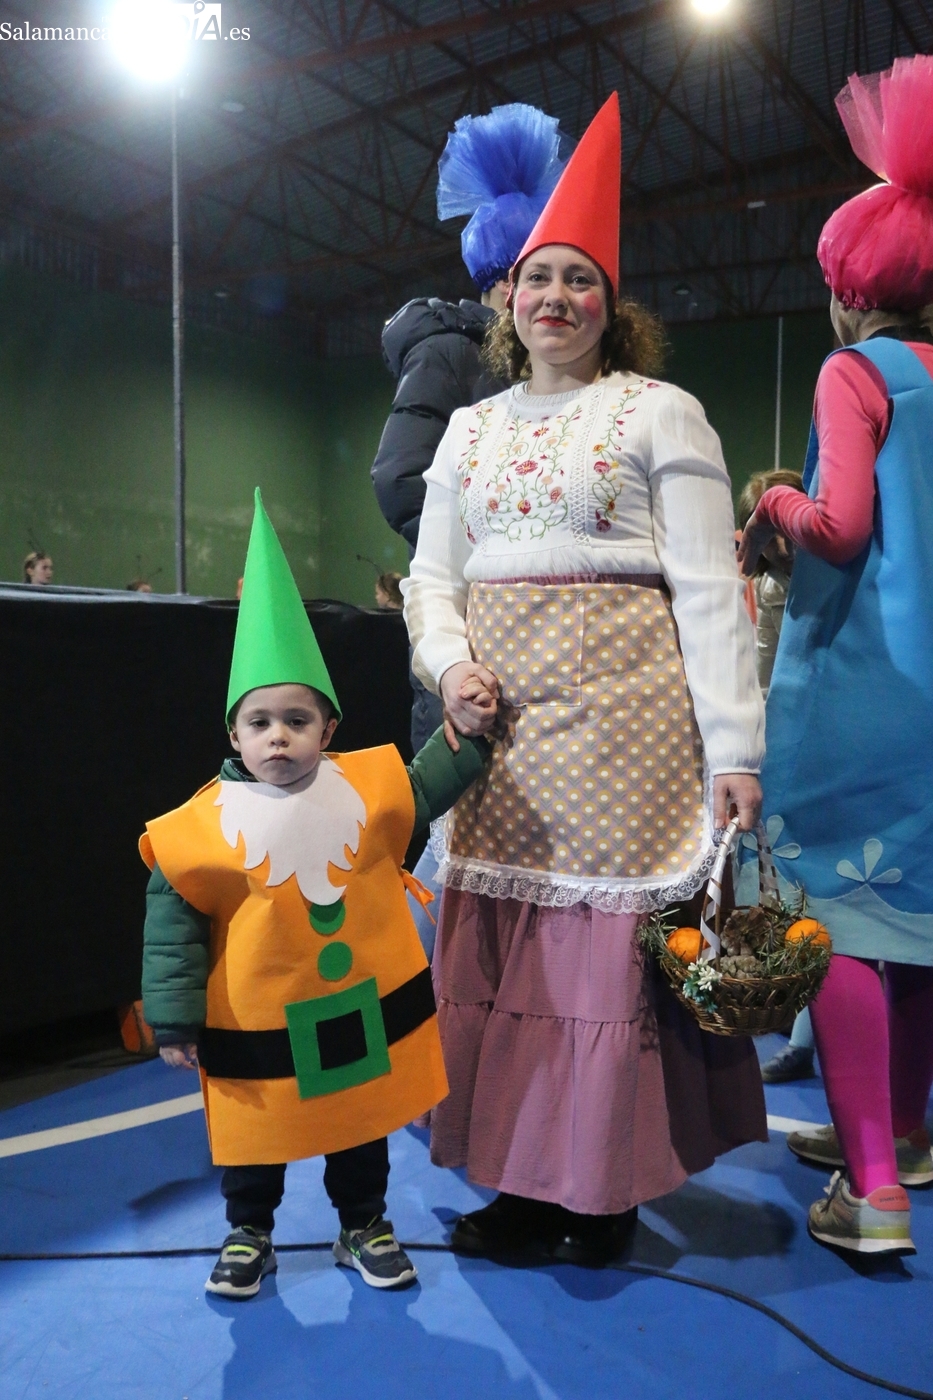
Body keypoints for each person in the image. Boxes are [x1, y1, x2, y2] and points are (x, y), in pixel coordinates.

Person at [403, 94, 767, 1267]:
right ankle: (519, 1188)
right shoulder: (467, 431)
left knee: (600, 972)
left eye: (581, 280)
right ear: (507, 297)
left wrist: (736, 751)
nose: (556, 296)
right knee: (508, 965)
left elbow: (709, 589)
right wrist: (450, 663)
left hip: (629, 743)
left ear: (614, 306)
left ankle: (601, 1192)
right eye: (538, 277)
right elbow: (431, 580)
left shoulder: (661, 412)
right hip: (502, 753)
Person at [141, 490, 492, 1298]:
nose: (278, 736)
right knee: (255, 1131)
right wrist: (174, 1019)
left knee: (358, 1122)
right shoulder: (194, 829)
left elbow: (425, 788)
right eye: (260, 722)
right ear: (233, 734)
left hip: (354, 1005)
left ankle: (362, 1222)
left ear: (327, 730)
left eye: (297, 721)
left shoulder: (365, 789)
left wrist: (467, 736)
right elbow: (172, 931)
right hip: (254, 1017)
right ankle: (249, 1232)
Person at [738, 56, 933, 1255]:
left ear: (850, 289)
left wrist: (772, 501)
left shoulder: (855, 372)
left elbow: (841, 526)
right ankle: (903, 1134)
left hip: (868, 693)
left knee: (843, 922)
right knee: (924, 923)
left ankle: (872, 1192)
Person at [371, 103, 570, 959]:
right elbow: (399, 479)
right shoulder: (452, 353)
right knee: (453, 846)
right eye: (532, 278)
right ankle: (417, 997)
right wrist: (495, 551)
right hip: (462, 636)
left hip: (531, 645)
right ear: (502, 280)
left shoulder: (538, 373)